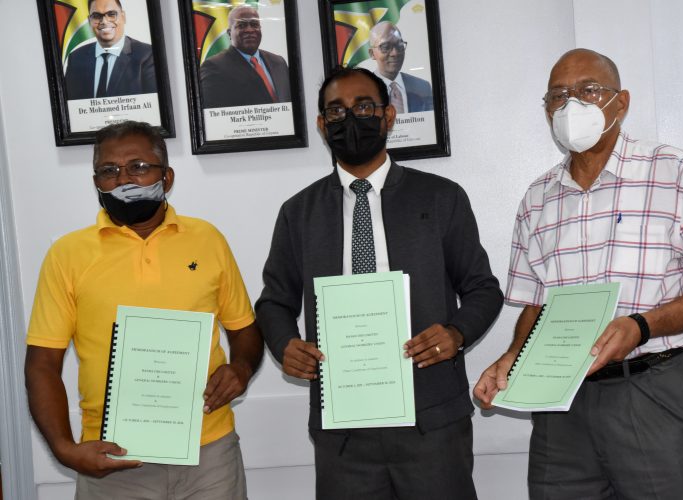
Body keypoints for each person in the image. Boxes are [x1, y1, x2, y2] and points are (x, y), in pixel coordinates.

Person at [474, 48, 683, 500]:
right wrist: (512, 359)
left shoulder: (674, 172)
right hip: (559, 403)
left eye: (588, 91)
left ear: (620, 103)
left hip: (655, 389)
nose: (571, 105)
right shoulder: (536, 198)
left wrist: (640, 326)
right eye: (557, 96)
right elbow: (536, 305)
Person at [255, 66, 503, 499]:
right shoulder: (299, 213)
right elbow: (274, 302)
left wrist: (456, 333)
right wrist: (284, 345)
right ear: (321, 125)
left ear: (388, 116)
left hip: (432, 420)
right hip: (343, 430)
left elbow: (483, 288)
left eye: (364, 106)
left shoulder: (442, 198)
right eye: (336, 111)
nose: (350, 118)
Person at [25, 121, 263, 499]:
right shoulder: (67, 256)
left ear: (166, 177)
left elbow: (244, 329)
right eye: (109, 171)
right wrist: (64, 448)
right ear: (96, 182)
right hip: (112, 460)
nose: (124, 180)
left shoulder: (208, 239)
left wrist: (241, 368)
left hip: (209, 453)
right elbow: (42, 363)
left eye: (139, 166)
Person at [200, 5, 291, 108]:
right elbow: (212, 112)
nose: (249, 30)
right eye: (241, 25)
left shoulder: (279, 62)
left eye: (254, 24)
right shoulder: (213, 67)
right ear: (229, 33)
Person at [65, 0, 157, 100]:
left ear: (123, 17)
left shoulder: (148, 55)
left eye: (111, 14)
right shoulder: (76, 58)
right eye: (96, 16)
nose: (104, 21)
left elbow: (153, 106)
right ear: (89, 21)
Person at [367, 22, 433, 113]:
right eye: (386, 47)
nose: (395, 53)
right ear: (372, 54)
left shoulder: (423, 87)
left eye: (399, 45)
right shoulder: (363, 90)